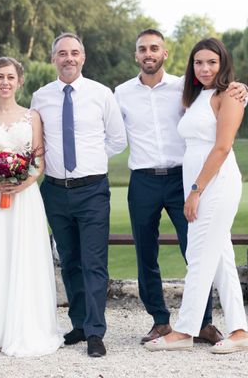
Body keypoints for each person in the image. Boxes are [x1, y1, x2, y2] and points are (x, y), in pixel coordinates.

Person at [114, 29, 221, 345]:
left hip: (181, 179)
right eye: (143, 49)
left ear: (165, 53)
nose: (148, 53)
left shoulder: (183, 87)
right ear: (136, 55)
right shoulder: (120, 93)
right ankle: (160, 321)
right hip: (142, 181)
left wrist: (241, 87)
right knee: (146, 254)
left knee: (195, 251)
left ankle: (203, 323)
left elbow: (220, 91)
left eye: (154, 48)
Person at [146, 38, 248, 353]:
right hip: (199, 181)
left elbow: (222, 147)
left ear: (223, 64)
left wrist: (195, 190)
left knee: (200, 255)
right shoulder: (196, 96)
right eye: (199, 62)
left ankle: (185, 330)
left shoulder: (229, 95)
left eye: (212, 62)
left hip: (215, 183)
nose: (205, 68)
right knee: (220, 258)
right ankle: (241, 330)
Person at [31, 33, 127, 358]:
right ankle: (79, 325)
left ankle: (96, 331)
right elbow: (36, 141)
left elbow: (117, 139)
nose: (68, 58)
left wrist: (90, 160)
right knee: (69, 261)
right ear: (53, 58)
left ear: (82, 58)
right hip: (55, 192)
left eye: (74, 53)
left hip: (92, 191)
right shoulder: (40, 97)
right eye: (62, 53)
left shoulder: (101, 94)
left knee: (94, 263)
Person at [0, 57, 63, 357]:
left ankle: (25, 326)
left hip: (25, 197)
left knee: (24, 256)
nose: (5, 82)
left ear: (20, 81)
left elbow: (39, 161)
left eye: (10, 77)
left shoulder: (32, 116)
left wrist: (21, 183)